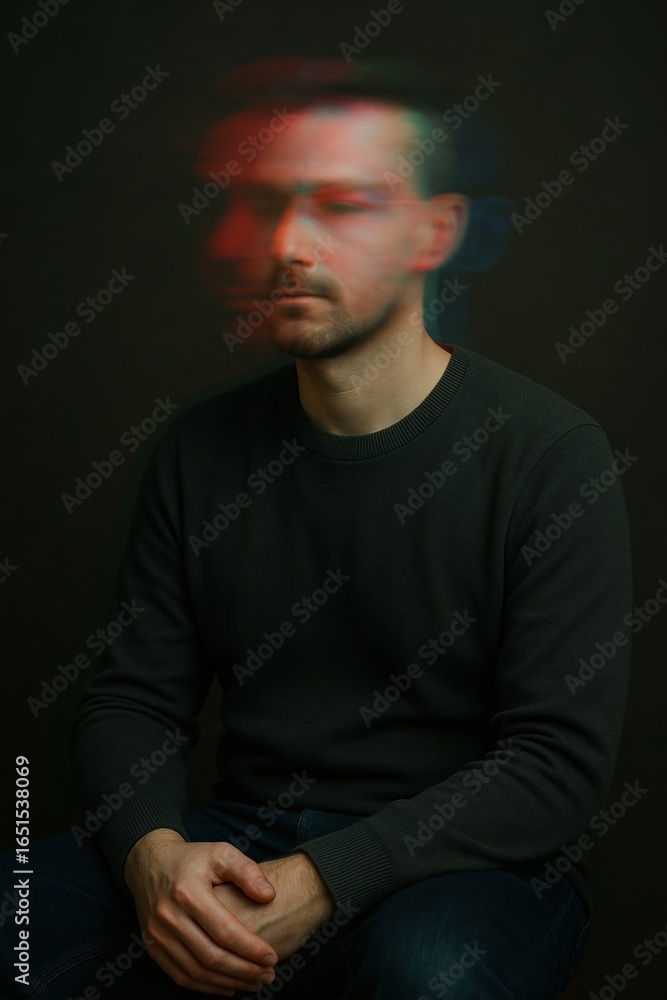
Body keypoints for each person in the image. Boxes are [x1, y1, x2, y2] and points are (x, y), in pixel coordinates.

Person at [1, 58, 632, 999]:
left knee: (431, 978)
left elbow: (556, 766)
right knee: (12, 913)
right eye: (270, 204)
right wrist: (154, 857)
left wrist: (327, 879)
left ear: (435, 231)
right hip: (242, 836)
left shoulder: (547, 452)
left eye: (344, 205)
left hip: (468, 864)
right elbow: (130, 700)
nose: (288, 243)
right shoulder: (199, 448)